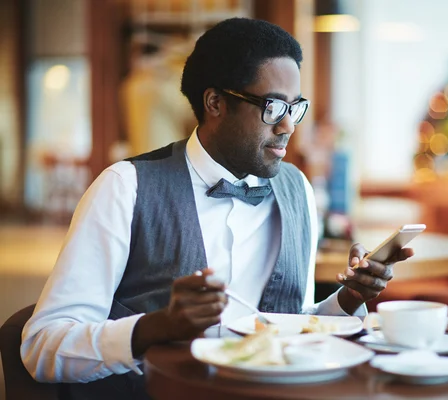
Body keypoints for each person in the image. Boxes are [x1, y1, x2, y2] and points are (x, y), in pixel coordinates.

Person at [20, 18, 413, 399]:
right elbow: (42, 347)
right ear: (215, 103)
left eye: (295, 108)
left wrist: (347, 300)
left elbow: (293, 324)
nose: (288, 126)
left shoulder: (298, 190)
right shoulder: (125, 188)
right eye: (274, 107)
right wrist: (155, 328)